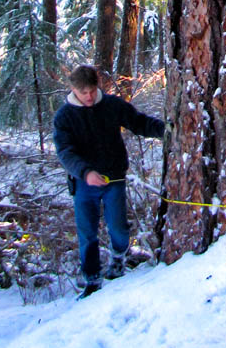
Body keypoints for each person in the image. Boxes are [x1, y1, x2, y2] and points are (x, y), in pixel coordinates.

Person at [53, 64, 164, 296]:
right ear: (74, 90)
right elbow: (65, 152)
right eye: (84, 92)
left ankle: (118, 257)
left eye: (92, 90)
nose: (89, 96)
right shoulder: (64, 117)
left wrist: (166, 130)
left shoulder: (111, 105)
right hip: (84, 184)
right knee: (87, 233)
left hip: (113, 179)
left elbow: (139, 122)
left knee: (119, 229)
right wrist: (85, 173)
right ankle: (92, 280)